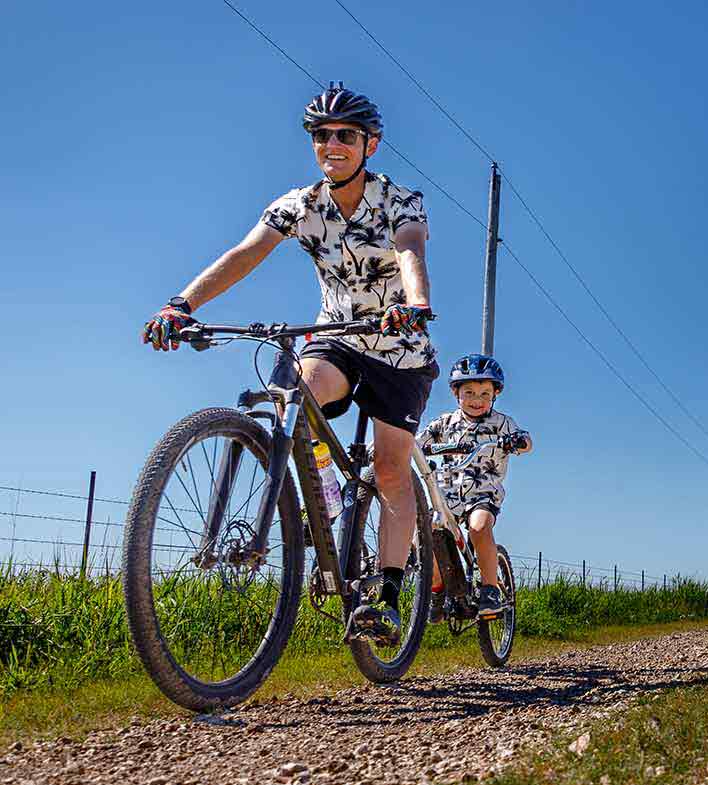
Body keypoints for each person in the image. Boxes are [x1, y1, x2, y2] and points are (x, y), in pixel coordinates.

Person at [141, 82, 436, 646]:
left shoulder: (399, 199)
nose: (332, 145)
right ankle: (326, 497)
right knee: (296, 393)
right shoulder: (299, 206)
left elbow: (410, 249)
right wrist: (182, 304)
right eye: (322, 136)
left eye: (345, 136)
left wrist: (415, 303)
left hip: (400, 345)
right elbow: (245, 253)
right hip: (340, 337)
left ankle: (390, 597)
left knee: (391, 468)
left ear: (369, 145)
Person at [416, 354, 532, 620]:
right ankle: (437, 590)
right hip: (445, 490)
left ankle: (490, 588)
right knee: (422, 536)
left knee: (479, 527)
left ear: (495, 394)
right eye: (469, 392)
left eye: (484, 393)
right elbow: (415, 442)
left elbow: (526, 442)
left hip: (483, 490)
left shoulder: (502, 423)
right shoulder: (444, 424)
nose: (476, 400)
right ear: (456, 393)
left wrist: (517, 442)